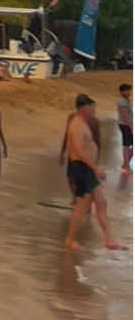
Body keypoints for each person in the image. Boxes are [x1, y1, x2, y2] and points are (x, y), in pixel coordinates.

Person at [63, 95, 119, 250]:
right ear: (84, 108)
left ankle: (109, 240)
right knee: (82, 207)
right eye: (92, 107)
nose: (94, 110)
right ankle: (70, 239)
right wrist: (95, 168)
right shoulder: (76, 125)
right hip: (81, 169)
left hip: (87, 169)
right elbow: (79, 151)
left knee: (102, 203)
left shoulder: (83, 123)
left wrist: (94, 167)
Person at [118, 83, 133, 176]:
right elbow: (124, 116)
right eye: (128, 90)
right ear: (122, 92)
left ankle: (125, 164)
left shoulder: (127, 100)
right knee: (126, 145)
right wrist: (131, 127)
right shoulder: (122, 101)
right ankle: (126, 166)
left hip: (127, 125)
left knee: (128, 145)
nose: (130, 92)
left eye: (130, 90)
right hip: (125, 125)